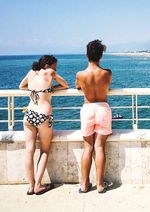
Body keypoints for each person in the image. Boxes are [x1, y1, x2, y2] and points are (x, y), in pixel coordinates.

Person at [19, 55, 69, 195]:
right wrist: (51, 89)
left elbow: (21, 86)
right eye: (55, 66)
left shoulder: (31, 72)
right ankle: (38, 186)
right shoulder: (50, 72)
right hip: (43, 115)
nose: (56, 69)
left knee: (29, 150)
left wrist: (38, 90)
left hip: (29, 114)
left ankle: (30, 186)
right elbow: (65, 85)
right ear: (48, 65)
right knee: (44, 151)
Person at [76, 39, 112, 193]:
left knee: (88, 147)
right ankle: (100, 185)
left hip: (88, 108)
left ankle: (84, 185)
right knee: (99, 147)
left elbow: (78, 86)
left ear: (86, 55)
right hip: (103, 108)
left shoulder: (80, 74)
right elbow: (107, 85)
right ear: (101, 56)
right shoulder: (107, 73)